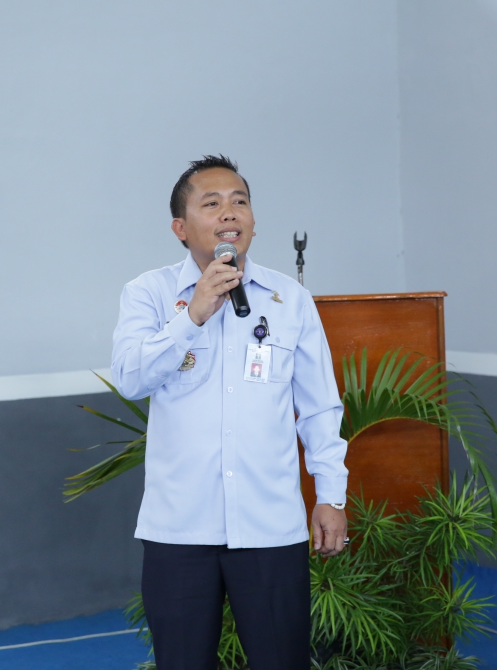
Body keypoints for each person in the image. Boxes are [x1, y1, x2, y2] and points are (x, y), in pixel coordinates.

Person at [111, 155, 348, 669]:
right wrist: (192, 315)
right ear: (180, 228)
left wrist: (331, 495)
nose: (229, 213)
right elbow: (130, 378)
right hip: (180, 528)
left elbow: (319, 407)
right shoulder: (148, 294)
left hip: (270, 525)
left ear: (253, 222)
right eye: (212, 203)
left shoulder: (291, 300)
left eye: (240, 202)